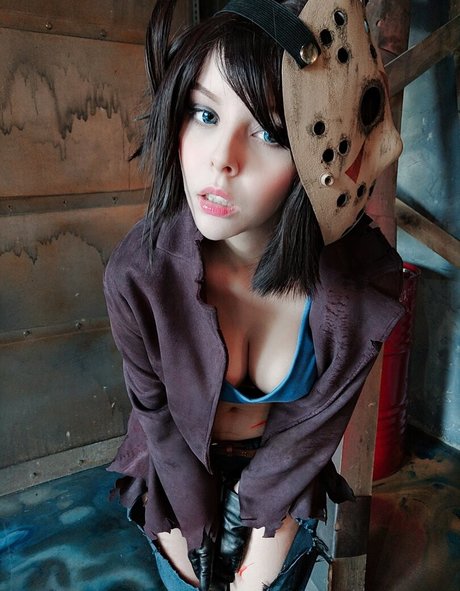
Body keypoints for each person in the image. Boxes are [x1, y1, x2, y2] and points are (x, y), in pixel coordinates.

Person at [103, 0, 404, 589]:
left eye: (269, 132)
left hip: (284, 469)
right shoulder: (139, 274)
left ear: (321, 151)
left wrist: (256, 559)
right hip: (174, 465)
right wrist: (191, 538)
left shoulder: (361, 288)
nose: (221, 160)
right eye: (204, 114)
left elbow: (309, 435)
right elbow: (158, 419)